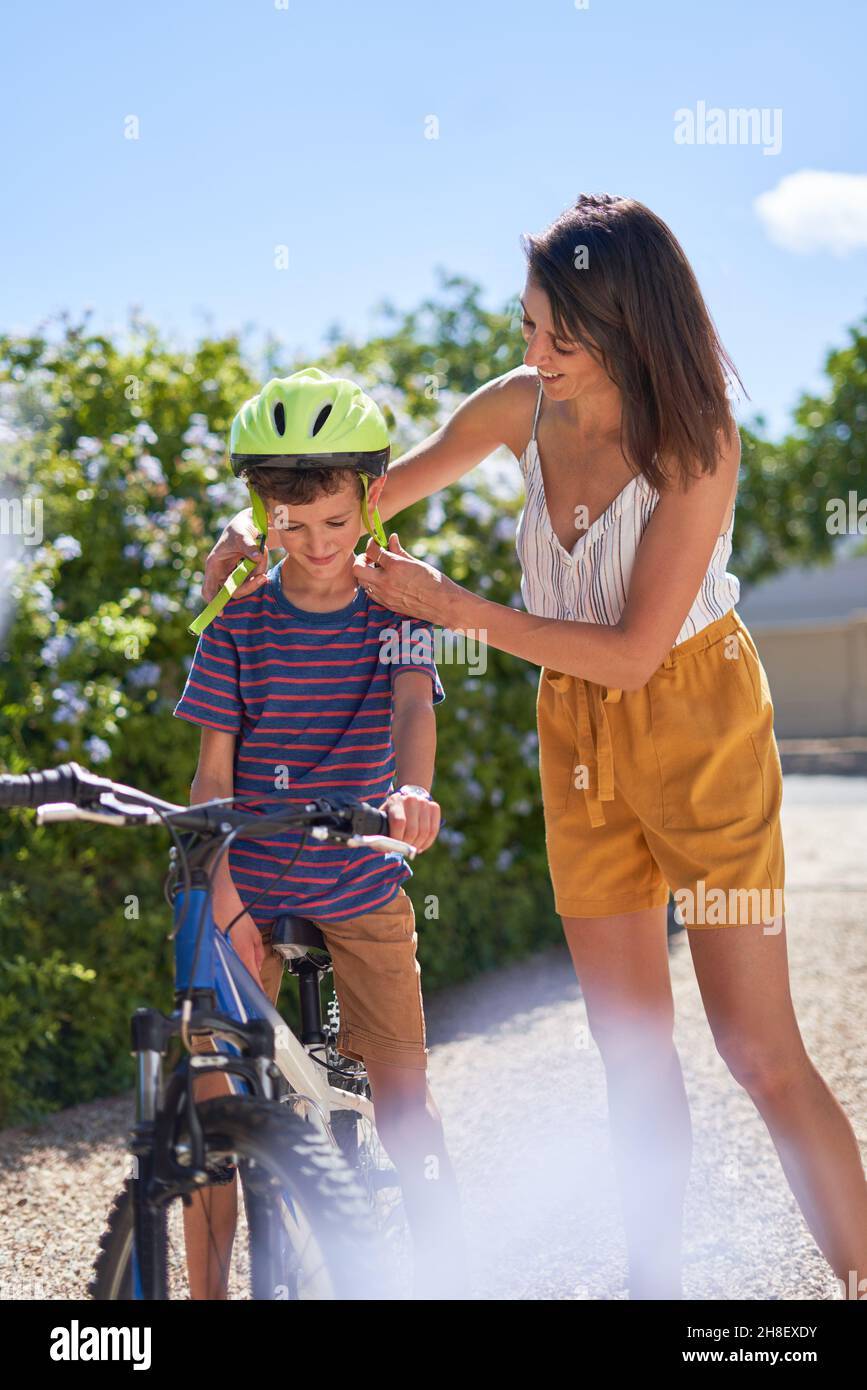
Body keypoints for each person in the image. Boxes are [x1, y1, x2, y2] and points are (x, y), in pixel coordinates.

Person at [204, 195, 867, 1301]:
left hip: (698, 720)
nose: (539, 355)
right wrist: (260, 516)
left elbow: (632, 650)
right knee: (630, 1050)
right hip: (576, 736)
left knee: (757, 1050)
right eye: (528, 329)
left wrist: (452, 604)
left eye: (563, 336)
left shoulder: (695, 441)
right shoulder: (522, 406)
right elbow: (375, 492)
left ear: (631, 324)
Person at [174, 368, 464, 1299]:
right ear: (259, 514)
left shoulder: (398, 604)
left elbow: (415, 707)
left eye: (334, 523)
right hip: (253, 874)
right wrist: (216, 888)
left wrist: (413, 792)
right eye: (289, 527)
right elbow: (212, 777)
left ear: (370, 503)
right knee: (210, 1110)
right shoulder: (238, 622)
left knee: (406, 1103)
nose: (314, 546)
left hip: (360, 876)